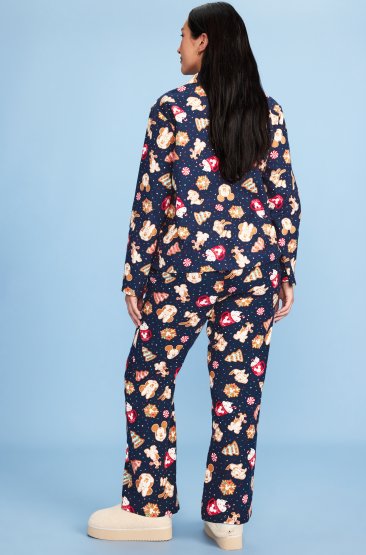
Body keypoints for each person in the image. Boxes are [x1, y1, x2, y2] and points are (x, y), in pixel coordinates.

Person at [87, 2, 301, 549]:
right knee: (239, 391)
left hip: (186, 269)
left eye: (183, 35)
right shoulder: (268, 112)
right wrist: (284, 267)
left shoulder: (172, 109)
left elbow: (152, 197)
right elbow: (283, 196)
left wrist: (136, 275)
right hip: (254, 270)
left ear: (204, 41)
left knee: (148, 373)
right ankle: (228, 519)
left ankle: (149, 508)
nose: (177, 46)